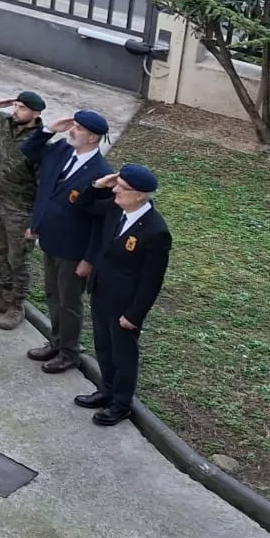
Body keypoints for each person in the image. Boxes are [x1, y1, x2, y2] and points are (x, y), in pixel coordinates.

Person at [75, 165, 173, 426]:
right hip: (101, 293)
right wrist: (99, 184)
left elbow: (152, 279)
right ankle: (106, 390)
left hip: (124, 305)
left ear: (140, 195)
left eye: (122, 187)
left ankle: (121, 403)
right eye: (117, 184)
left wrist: (134, 314)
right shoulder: (116, 209)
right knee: (104, 348)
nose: (116, 190)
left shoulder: (155, 231)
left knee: (123, 355)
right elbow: (83, 205)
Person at [22, 110, 114, 374]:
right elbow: (29, 151)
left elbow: (100, 224)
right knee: (52, 295)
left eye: (78, 129)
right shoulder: (62, 149)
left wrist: (89, 259)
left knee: (69, 302)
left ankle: (69, 352)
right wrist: (49, 129)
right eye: (73, 125)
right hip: (50, 239)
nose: (72, 131)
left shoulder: (100, 174)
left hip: (74, 249)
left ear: (93, 138)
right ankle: (57, 342)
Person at [0, 91, 46, 328]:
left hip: (20, 209)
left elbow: (44, 187)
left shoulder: (39, 142)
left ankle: (17, 305)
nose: (16, 111)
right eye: (16, 106)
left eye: (22, 108)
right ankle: (3, 296)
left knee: (18, 259)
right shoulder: (5, 122)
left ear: (36, 113)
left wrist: (36, 222)